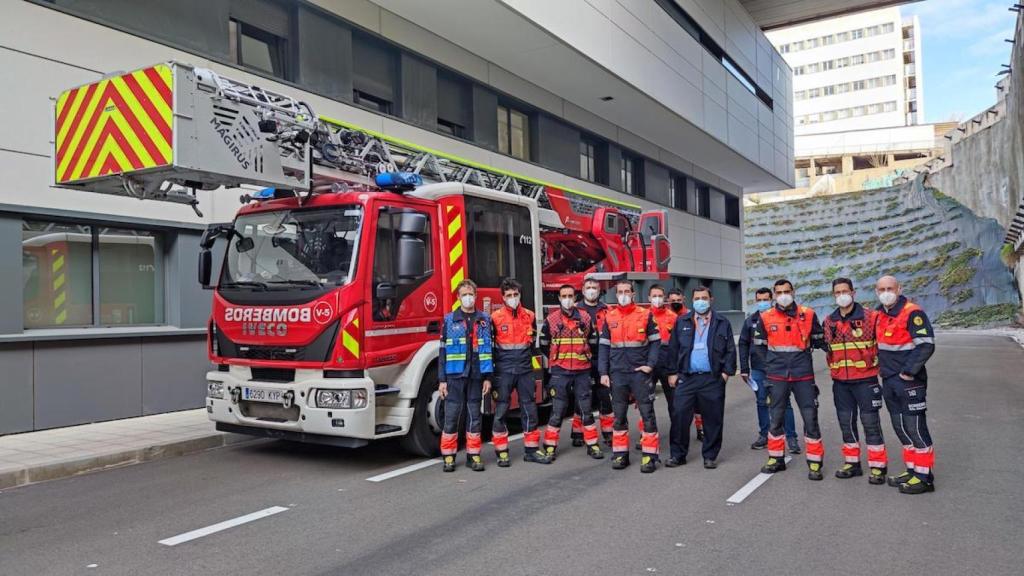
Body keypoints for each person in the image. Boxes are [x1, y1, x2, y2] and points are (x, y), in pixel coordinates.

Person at [757, 279, 829, 481]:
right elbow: (759, 346)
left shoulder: (808, 314)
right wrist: (770, 366)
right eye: (779, 292)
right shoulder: (766, 317)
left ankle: (815, 463)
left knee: (810, 418)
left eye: (786, 291)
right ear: (774, 294)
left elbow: (820, 340)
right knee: (776, 417)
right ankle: (775, 459)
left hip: (802, 374)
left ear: (793, 292)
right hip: (777, 375)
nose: (783, 295)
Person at [875, 275, 936, 494]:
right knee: (900, 427)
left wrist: (908, 372)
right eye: (881, 289)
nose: (886, 292)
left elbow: (926, 345)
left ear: (899, 289)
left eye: (890, 288)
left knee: (915, 428)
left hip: (908, 381)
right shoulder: (880, 314)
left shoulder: (912, 312)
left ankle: (924, 477)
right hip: (889, 380)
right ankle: (912, 470)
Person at [823, 278, 887, 484]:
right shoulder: (829, 321)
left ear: (853, 292)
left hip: (866, 380)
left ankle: (878, 467)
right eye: (837, 292)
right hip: (840, 382)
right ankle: (852, 463)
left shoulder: (871, 317)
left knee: (870, 424)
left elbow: (884, 345)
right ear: (834, 295)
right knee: (846, 424)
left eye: (845, 291)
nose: (841, 295)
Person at [666, 285, 736, 468]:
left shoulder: (722, 322)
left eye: (704, 298)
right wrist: (672, 373)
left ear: (711, 300)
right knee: (680, 416)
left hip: (712, 379)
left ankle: (710, 455)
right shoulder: (682, 322)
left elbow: (730, 350)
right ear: (692, 300)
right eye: (697, 298)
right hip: (687, 378)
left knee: (713, 419)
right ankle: (678, 455)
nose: (700, 302)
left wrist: (725, 374)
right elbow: (672, 349)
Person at [599, 280, 661, 472]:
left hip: (639, 374)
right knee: (619, 416)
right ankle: (620, 455)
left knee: (647, 414)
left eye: (627, 291)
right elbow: (603, 347)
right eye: (620, 292)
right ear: (615, 294)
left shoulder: (645, 314)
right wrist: (603, 372)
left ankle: (649, 457)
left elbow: (656, 343)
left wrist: (650, 366)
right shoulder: (610, 317)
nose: (623, 294)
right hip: (617, 374)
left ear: (633, 294)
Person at [540, 284, 604, 461]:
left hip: (582, 370)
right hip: (560, 372)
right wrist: (557, 360)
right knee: (557, 410)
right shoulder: (551, 319)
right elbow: (543, 344)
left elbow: (593, 342)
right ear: (559, 298)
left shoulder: (584, 317)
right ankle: (550, 446)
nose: (567, 299)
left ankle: (592, 445)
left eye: (570, 295)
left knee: (586, 409)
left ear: (575, 298)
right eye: (564, 296)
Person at [490, 278, 550, 466]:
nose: (513, 298)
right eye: (509, 295)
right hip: (504, 370)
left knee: (529, 408)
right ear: (503, 297)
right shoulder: (494, 318)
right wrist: (491, 375)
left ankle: (531, 450)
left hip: (525, 369)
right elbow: (490, 348)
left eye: (516, 294)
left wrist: (536, 370)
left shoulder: (530, 316)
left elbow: (533, 346)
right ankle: (502, 452)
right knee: (501, 410)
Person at [438, 279, 493, 472]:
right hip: (455, 376)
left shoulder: (485, 319)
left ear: (475, 295)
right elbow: (442, 353)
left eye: (471, 294)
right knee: (451, 416)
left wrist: (488, 377)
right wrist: (442, 380)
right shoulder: (449, 320)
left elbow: (489, 350)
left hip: (477, 376)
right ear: (458, 297)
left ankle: (474, 456)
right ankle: (449, 457)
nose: (468, 297)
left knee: (474, 416)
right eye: (464, 294)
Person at [739, 287, 800, 453]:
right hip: (758, 369)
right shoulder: (750, 321)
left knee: (784, 403)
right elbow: (743, 345)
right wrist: (744, 369)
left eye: (765, 299)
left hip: (779, 369)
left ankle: (791, 438)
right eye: (759, 300)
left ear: (772, 300)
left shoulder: (779, 318)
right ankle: (764, 435)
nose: (762, 303)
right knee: (761, 402)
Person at [637, 285, 677, 444]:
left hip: (668, 365)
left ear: (665, 298)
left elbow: (678, 345)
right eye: (654, 295)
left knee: (674, 403)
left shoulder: (673, 317)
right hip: (649, 365)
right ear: (648, 298)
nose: (657, 299)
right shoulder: (642, 316)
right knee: (645, 402)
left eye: (660, 295)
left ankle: (677, 435)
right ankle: (646, 435)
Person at [576, 278, 613, 445]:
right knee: (582, 397)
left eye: (595, 288)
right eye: (588, 287)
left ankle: (609, 433)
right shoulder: (575, 310)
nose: (592, 290)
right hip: (581, 359)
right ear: (583, 290)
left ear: (599, 291)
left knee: (605, 396)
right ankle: (578, 434)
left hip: (602, 357)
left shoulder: (607, 310)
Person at [668, 288, 704, 442]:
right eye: (672, 300)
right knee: (676, 403)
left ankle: (700, 428)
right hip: (670, 363)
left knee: (697, 402)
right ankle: (679, 431)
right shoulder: (666, 316)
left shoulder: (690, 316)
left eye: (678, 300)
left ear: (683, 299)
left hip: (688, 364)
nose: (675, 302)